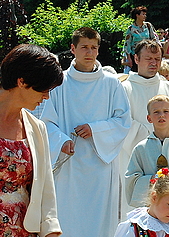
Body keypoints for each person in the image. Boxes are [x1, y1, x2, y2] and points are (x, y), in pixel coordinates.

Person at [41, 27, 131, 237]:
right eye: (84, 47)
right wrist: (61, 141)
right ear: (73, 49)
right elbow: (46, 123)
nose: (89, 52)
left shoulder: (111, 85)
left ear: (98, 50)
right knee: (69, 217)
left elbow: (123, 121)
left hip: (100, 165)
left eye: (93, 47)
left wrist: (96, 129)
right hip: (69, 165)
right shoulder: (59, 84)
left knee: (99, 221)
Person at [0, 44, 63, 237]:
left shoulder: (37, 128)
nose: (46, 97)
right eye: (44, 89)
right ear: (22, 81)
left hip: (24, 231)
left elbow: (46, 190)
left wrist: (51, 231)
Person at [123, 6, 159, 72]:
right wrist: (129, 58)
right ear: (137, 15)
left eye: (145, 14)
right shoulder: (131, 29)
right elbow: (127, 44)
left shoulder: (148, 26)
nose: (145, 16)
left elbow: (154, 38)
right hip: (135, 55)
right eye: (143, 14)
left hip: (148, 53)